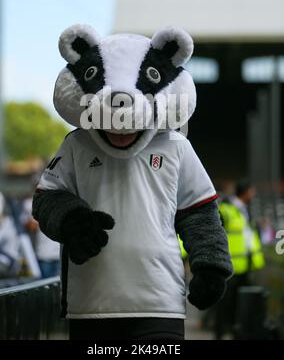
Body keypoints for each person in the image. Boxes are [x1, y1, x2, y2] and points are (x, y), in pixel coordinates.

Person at [33, 24, 232, 340]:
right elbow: (46, 198)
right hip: (91, 304)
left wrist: (210, 265)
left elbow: (199, 212)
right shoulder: (76, 145)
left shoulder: (176, 145)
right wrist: (71, 220)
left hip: (160, 303)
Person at [215, 179, 265, 339]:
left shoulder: (244, 210)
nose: (254, 194)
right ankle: (222, 334)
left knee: (240, 305)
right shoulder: (226, 210)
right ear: (245, 191)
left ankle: (236, 333)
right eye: (252, 190)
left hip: (244, 266)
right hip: (229, 267)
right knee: (225, 305)